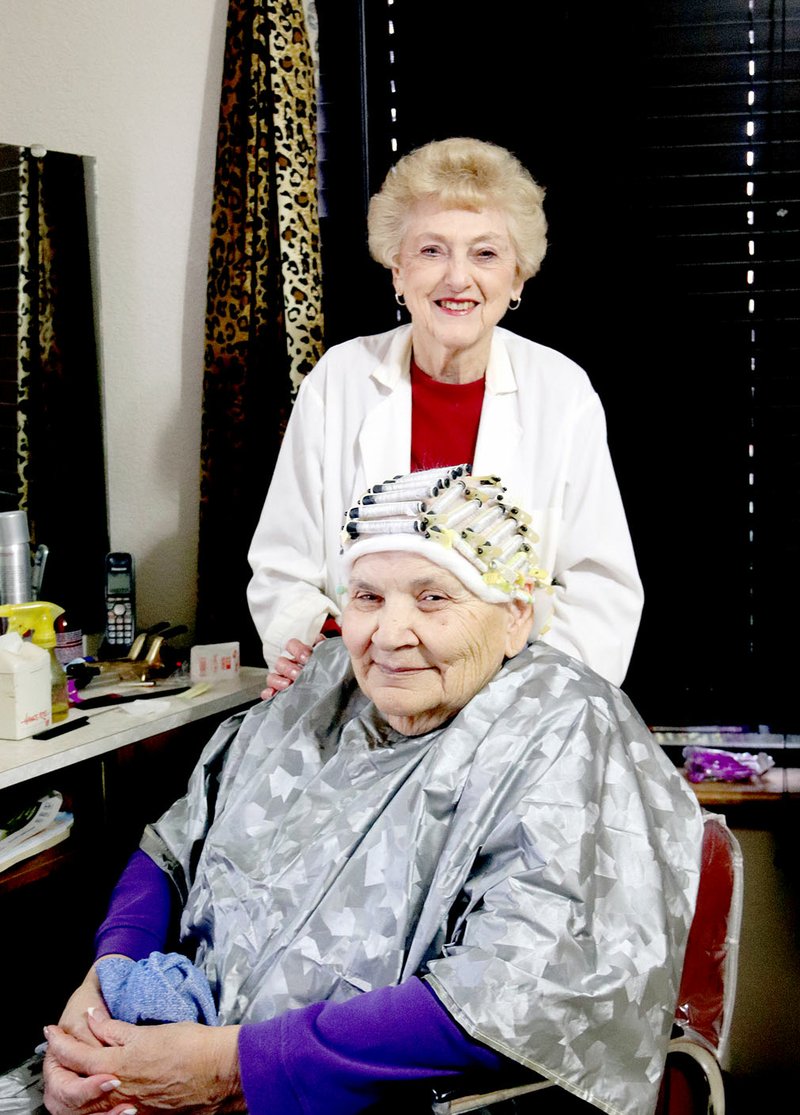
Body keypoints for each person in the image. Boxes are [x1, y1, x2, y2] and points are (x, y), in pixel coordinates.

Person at [41, 467, 701, 1115]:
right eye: (366, 597)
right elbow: (171, 850)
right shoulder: (318, 686)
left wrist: (229, 1067)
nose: (389, 634)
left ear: (515, 616)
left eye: (433, 597)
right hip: (167, 1051)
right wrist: (104, 991)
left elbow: (513, 995)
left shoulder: (565, 725)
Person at [247, 136, 643, 698]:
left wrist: (505, 696)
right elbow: (282, 566)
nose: (458, 279)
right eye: (432, 251)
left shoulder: (562, 391)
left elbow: (603, 591)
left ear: (517, 279)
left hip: (514, 705)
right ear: (397, 271)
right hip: (367, 688)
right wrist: (341, 656)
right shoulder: (338, 380)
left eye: (484, 254)